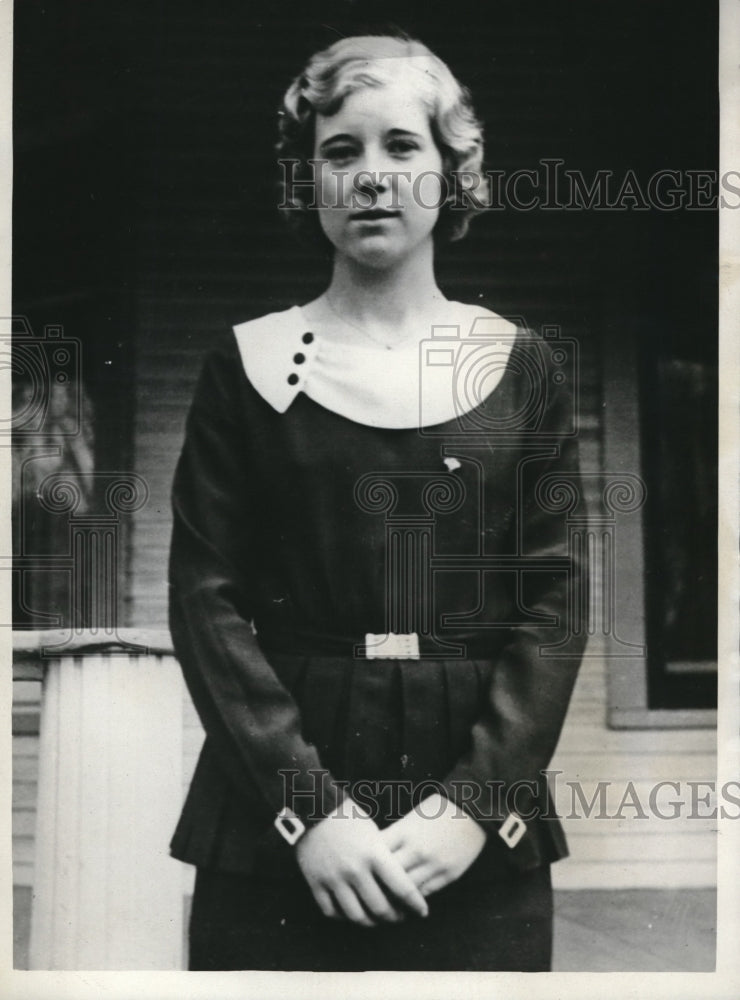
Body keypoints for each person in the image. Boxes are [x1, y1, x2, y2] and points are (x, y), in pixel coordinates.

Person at [168, 33, 587, 972]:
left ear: (453, 172)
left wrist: (476, 805)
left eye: (403, 146)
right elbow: (206, 601)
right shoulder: (246, 366)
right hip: (281, 800)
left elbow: (555, 604)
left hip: (472, 814)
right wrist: (308, 813)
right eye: (340, 151)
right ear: (308, 177)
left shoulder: (520, 367)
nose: (370, 177)